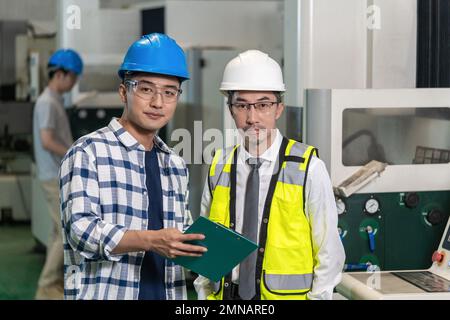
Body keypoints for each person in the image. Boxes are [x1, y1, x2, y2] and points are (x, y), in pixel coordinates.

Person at [59, 33, 206, 300]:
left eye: (169, 92)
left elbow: (178, 234)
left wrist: (208, 250)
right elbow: (80, 231)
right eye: (146, 89)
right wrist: (151, 240)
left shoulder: (174, 164)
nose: (158, 102)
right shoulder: (88, 152)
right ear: (123, 91)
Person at [194, 50, 345, 300]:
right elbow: (204, 246)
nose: (252, 118)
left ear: (279, 109)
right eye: (242, 105)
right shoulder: (219, 165)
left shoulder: (309, 168)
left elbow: (329, 253)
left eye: (263, 105)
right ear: (230, 109)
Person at [33, 48, 83, 300]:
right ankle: (47, 287)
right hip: (53, 176)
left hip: (55, 174)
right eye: (73, 76)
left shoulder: (54, 101)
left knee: (57, 231)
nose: (74, 82)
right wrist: (75, 154)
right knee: (64, 232)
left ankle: (51, 286)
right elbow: (47, 140)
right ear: (61, 74)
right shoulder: (47, 102)